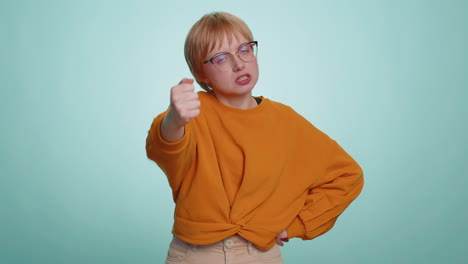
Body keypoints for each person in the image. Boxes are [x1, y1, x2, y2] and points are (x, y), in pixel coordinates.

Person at [146, 11, 364, 264]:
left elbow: (347, 174)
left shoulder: (285, 120)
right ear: (200, 73)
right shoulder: (193, 112)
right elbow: (166, 145)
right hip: (195, 255)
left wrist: (299, 224)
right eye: (220, 58)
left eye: (245, 50)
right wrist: (175, 118)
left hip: (260, 255)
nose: (239, 64)